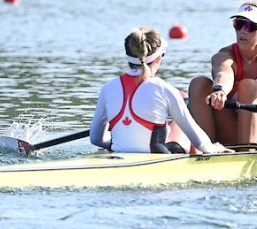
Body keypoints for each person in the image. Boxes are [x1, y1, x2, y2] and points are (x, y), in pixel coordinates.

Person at [90, 27, 228, 154]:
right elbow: (198, 140)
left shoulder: (108, 88)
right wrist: (214, 148)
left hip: (118, 153)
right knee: (183, 114)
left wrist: (123, 144)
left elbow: (96, 139)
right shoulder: (164, 89)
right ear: (158, 58)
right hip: (159, 156)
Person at [188, 1, 257, 146]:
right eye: (239, 24)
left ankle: (247, 151)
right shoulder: (224, 54)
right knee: (199, 84)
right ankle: (205, 150)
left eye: (250, 26)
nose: (243, 31)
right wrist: (219, 90)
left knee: (248, 86)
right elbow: (224, 73)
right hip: (235, 127)